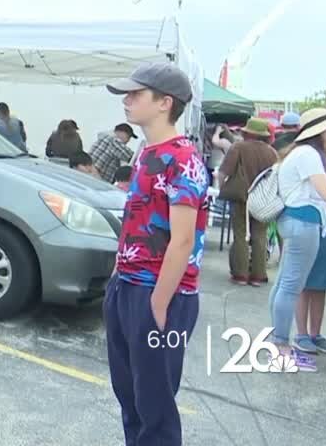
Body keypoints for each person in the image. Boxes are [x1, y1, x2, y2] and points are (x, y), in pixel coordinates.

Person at [103, 62, 208, 446]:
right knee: (129, 395)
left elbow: (182, 241)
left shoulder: (184, 159)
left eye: (136, 94)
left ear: (165, 103)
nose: (127, 101)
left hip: (163, 294)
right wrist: (117, 280)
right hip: (127, 287)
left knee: (156, 405)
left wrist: (159, 303)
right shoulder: (146, 152)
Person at [268, 108, 326, 371]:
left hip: (298, 220)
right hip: (303, 225)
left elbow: (319, 201)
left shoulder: (302, 154)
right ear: (319, 132)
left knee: (284, 284)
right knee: (291, 286)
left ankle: (279, 341)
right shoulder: (310, 155)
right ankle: (281, 345)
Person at [217, 117, 279, 286]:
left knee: (240, 234)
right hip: (263, 200)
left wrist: (223, 187)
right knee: (260, 235)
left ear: (247, 132)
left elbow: (224, 172)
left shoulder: (239, 147)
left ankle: (240, 274)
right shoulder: (272, 152)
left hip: (241, 197)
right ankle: (258, 276)